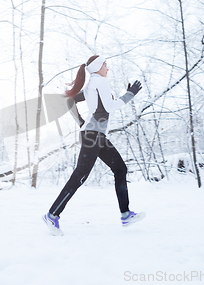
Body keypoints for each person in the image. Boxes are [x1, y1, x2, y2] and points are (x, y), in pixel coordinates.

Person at [42, 55, 145, 236]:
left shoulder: (92, 83)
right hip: (93, 136)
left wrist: (81, 122)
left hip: (97, 135)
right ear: (98, 67)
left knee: (120, 169)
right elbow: (111, 107)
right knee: (80, 176)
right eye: (105, 65)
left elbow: (70, 101)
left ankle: (126, 214)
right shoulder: (100, 82)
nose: (107, 68)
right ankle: (52, 214)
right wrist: (130, 95)